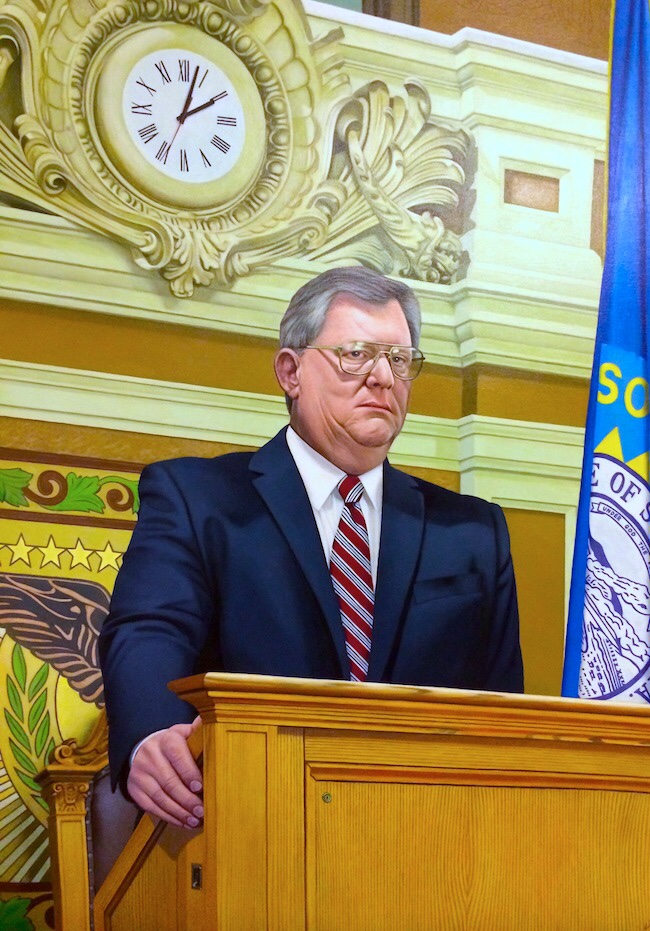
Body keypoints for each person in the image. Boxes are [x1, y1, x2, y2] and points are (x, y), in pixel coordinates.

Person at [99, 266, 523, 830]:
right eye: (355, 354)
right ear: (290, 371)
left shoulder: (473, 530)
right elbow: (150, 630)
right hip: (248, 818)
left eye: (400, 360)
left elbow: (502, 710)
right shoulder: (198, 498)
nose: (382, 377)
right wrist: (152, 735)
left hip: (431, 834)